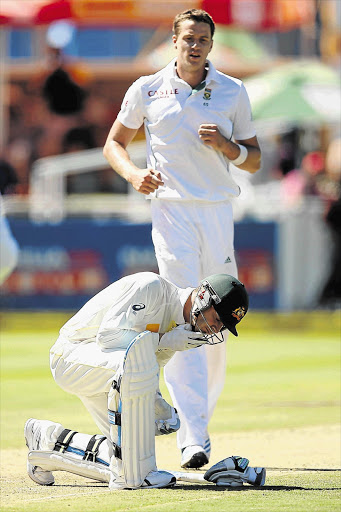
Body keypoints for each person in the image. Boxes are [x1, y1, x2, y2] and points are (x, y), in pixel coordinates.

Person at [103, 8, 261, 468]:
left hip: (216, 212)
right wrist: (134, 174)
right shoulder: (148, 89)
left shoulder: (232, 91)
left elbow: (253, 160)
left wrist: (227, 147)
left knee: (218, 317)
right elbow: (114, 142)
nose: (196, 46)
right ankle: (193, 434)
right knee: (185, 312)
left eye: (204, 40)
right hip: (170, 213)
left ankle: (199, 420)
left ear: (211, 45)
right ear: (174, 41)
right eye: (189, 38)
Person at [24, 271, 249, 490]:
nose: (216, 329)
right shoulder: (151, 287)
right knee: (135, 468)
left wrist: (158, 407)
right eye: (218, 319)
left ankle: (47, 441)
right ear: (203, 298)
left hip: (108, 371)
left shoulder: (181, 330)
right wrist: (164, 340)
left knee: (122, 459)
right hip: (71, 356)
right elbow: (108, 338)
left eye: (223, 326)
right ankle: (141, 474)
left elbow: (148, 369)